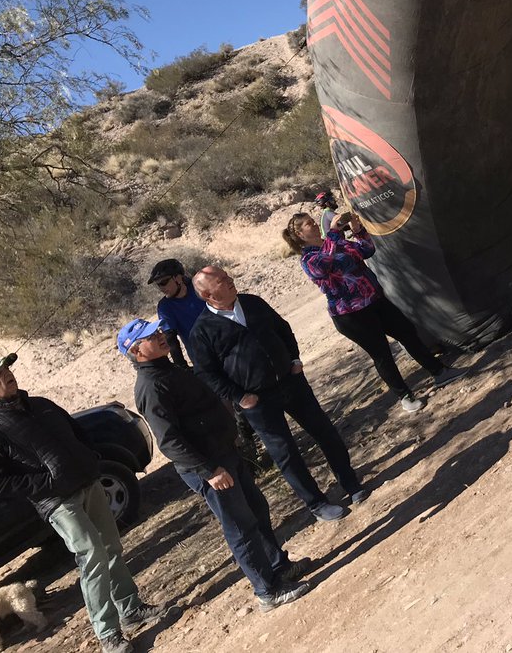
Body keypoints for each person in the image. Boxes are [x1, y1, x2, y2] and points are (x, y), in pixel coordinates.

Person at [0, 354, 170, 653]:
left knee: (112, 548)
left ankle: (130, 610)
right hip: (57, 502)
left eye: (7, 369)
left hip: (88, 483)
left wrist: (90, 459)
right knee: (91, 555)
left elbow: (78, 433)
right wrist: (48, 483)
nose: (7, 375)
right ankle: (108, 635)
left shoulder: (41, 404)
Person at [117, 318, 312, 613]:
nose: (159, 337)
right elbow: (169, 441)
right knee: (240, 526)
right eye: (150, 337)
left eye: (157, 332)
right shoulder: (150, 386)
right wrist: (208, 471)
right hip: (209, 467)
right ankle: (267, 591)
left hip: (224, 453)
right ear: (136, 352)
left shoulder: (170, 369)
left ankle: (277, 567)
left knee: (256, 509)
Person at [187, 266, 365, 522]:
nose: (230, 281)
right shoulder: (202, 332)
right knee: (286, 453)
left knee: (325, 432)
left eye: (227, 276)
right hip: (257, 401)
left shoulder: (251, 303)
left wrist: (295, 359)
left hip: (291, 382)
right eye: (222, 280)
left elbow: (283, 328)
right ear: (207, 294)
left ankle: (351, 484)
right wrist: (239, 396)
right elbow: (207, 374)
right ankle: (317, 504)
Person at [282, 211, 469, 413]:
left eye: (313, 221)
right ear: (301, 235)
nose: (315, 224)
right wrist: (334, 233)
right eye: (309, 224)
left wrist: (358, 230)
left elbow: (367, 250)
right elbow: (324, 266)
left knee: (407, 332)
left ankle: (440, 372)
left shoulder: (337, 243)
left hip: (374, 300)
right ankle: (405, 396)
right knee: (382, 354)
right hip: (351, 315)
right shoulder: (309, 259)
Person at [149, 258, 267, 473]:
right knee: (226, 410)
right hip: (205, 362)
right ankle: (248, 457)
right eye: (158, 285)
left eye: (164, 282)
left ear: (178, 278)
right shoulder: (165, 306)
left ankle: (265, 440)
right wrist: (182, 368)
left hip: (230, 351)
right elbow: (171, 338)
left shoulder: (199, 289)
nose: (162, 288)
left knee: (248, 399)